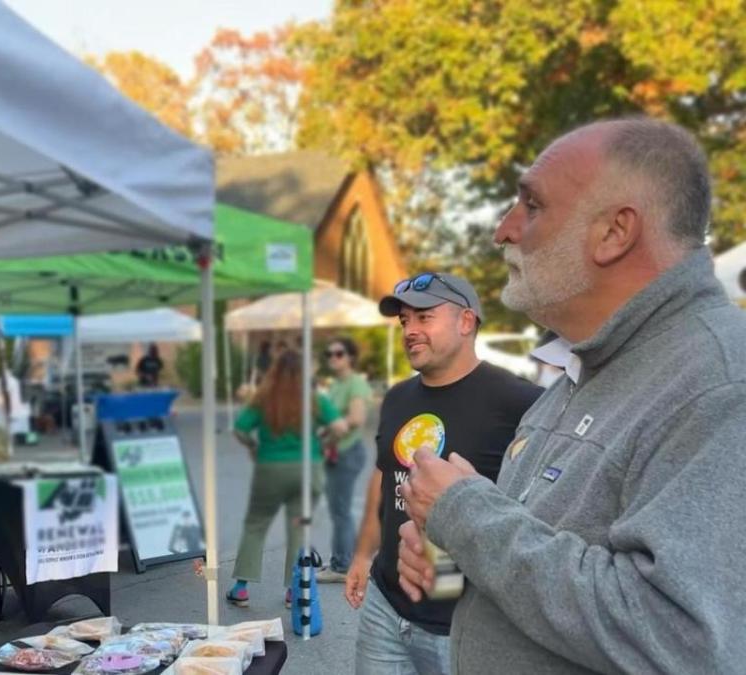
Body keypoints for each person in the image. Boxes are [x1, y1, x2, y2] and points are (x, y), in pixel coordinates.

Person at [397, 119, 746, 673]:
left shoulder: (721, 384)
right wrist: (451, 552)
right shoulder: (581, 372)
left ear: (614, 232)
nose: (503, 230)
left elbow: (684, 641)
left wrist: (465, 515)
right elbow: (543, 560)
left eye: (531, 206)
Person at [344, 272, 541, 675]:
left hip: (464, 625)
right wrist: (363, 555)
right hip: (386, 607)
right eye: (404, 322)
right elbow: (384, 480)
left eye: (424, 317)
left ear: (466, 322)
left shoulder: (520, 402)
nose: (410, 331)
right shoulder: (398, 397)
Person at [226, 350, 348, 609]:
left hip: (270, 467)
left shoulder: (263, 399)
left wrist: (252, 447)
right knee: (298, 528)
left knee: (256, 524)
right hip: (308, 468)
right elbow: (340, 427)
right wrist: (324, 443)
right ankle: (294, 590)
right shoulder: (314, 400)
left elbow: (239, 429)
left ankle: (241, 588)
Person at [315, 337, 370, 584]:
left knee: (341, 512)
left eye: (338, 353)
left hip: (347, 452)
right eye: (329, 354)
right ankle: (342, 558)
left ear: (350, 357)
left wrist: (333, 432)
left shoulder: (355, 383)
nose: (333, 358)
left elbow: (356, 418)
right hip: (337, 451)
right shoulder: (336, 385)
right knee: (339, 510)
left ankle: (342, 565)